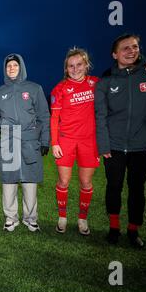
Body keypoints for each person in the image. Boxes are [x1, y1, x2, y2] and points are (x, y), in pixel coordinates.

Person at [95, 34, 146, 248]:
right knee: (114, 186)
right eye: (125, 48)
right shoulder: (106, 81)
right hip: (115, 145)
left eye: (134, 47)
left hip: (142, 145)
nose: (131, 51)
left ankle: (133, 230)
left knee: (137, 188)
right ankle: (114, 228)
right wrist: (104, 144)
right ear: (115, 54)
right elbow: (101, 116)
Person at [0, 53, 50, 232]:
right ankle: (11, 218)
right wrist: (2, 126)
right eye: (8, 66)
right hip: (8, 141)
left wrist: (44, 140)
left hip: (29, 140)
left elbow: (43, 116)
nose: (11, 68)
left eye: (15, 65)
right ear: (5, 69)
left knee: (29, 181)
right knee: (9, 181)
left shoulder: (34, 88)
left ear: (21, 67)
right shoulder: (0, 91)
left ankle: (30, 218)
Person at [50, 48, 100, 236]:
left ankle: (82, 218)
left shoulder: (96, 84)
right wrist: (55, 143)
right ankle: (62, 217)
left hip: (89, 141)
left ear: (86, 65)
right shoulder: (60, 88)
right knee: (63, 181)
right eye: (71, 66)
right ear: (66, 68)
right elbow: (54, 118)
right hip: (66, 141)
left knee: (86, 182)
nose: (75, 68)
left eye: (79, 64)